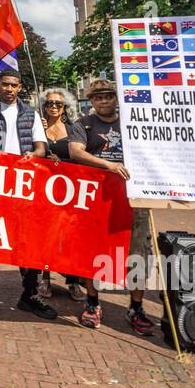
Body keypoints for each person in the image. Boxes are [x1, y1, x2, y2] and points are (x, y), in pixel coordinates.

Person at [0, 68, 56, 320]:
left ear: (20, 87)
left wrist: (33, 155)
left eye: (14, 85)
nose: (9, 89)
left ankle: (30, 293)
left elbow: (41, 148)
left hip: (24, 186)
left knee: (27, 239)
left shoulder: (30, 114)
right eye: (5, 84)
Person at [68, 79, 156, 335]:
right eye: (98, 97)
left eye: (108, 96)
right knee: (92, 252)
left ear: (116, 98)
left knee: (139, 253)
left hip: (134, 199)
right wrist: (108, 165)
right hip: (98, 200)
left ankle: (136, 307)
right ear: (91, 101)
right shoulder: (83, 124)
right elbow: (76, 152)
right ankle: (92, 302)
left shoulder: (132, 122)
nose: (103, 100)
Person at [39, 88, 80, 300]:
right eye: (50, 103)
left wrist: (63, 163)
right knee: (47, 235)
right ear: (44, 106)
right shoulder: (38, 128)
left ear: (65, 108)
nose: (54, 107)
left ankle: (73, 280)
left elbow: (81, 157)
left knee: (70, 237)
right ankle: (44, 277)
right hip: (44, 190)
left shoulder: (74, 129)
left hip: (69, 191)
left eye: (58, 104)